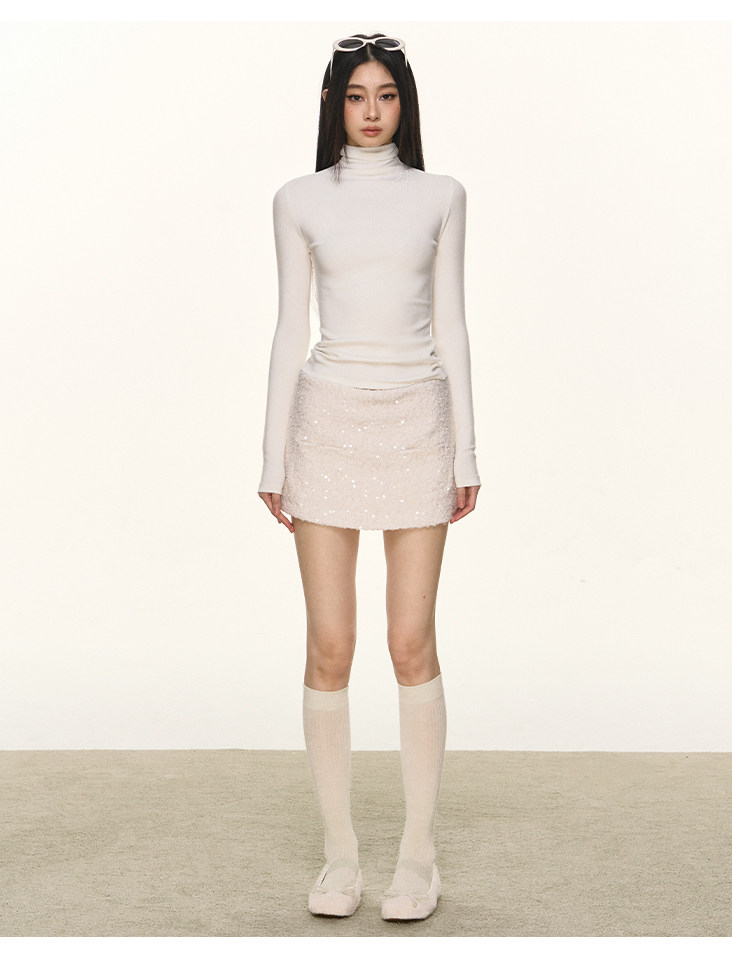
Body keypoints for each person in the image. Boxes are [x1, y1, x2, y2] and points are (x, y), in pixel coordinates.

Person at [257, 33, 481, 921]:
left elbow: (453, 324)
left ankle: (418, 858)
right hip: (326, 425)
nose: (373, 111)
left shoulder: (442, 195)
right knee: (330, 646)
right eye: (357, 96)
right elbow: (290, 326)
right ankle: (340, 857)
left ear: (405, 103)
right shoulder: (298, 198)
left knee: (411, 641)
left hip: (418, 421)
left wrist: (466, 450)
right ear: (333, 105)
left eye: (386, 94)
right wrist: (272, 455)